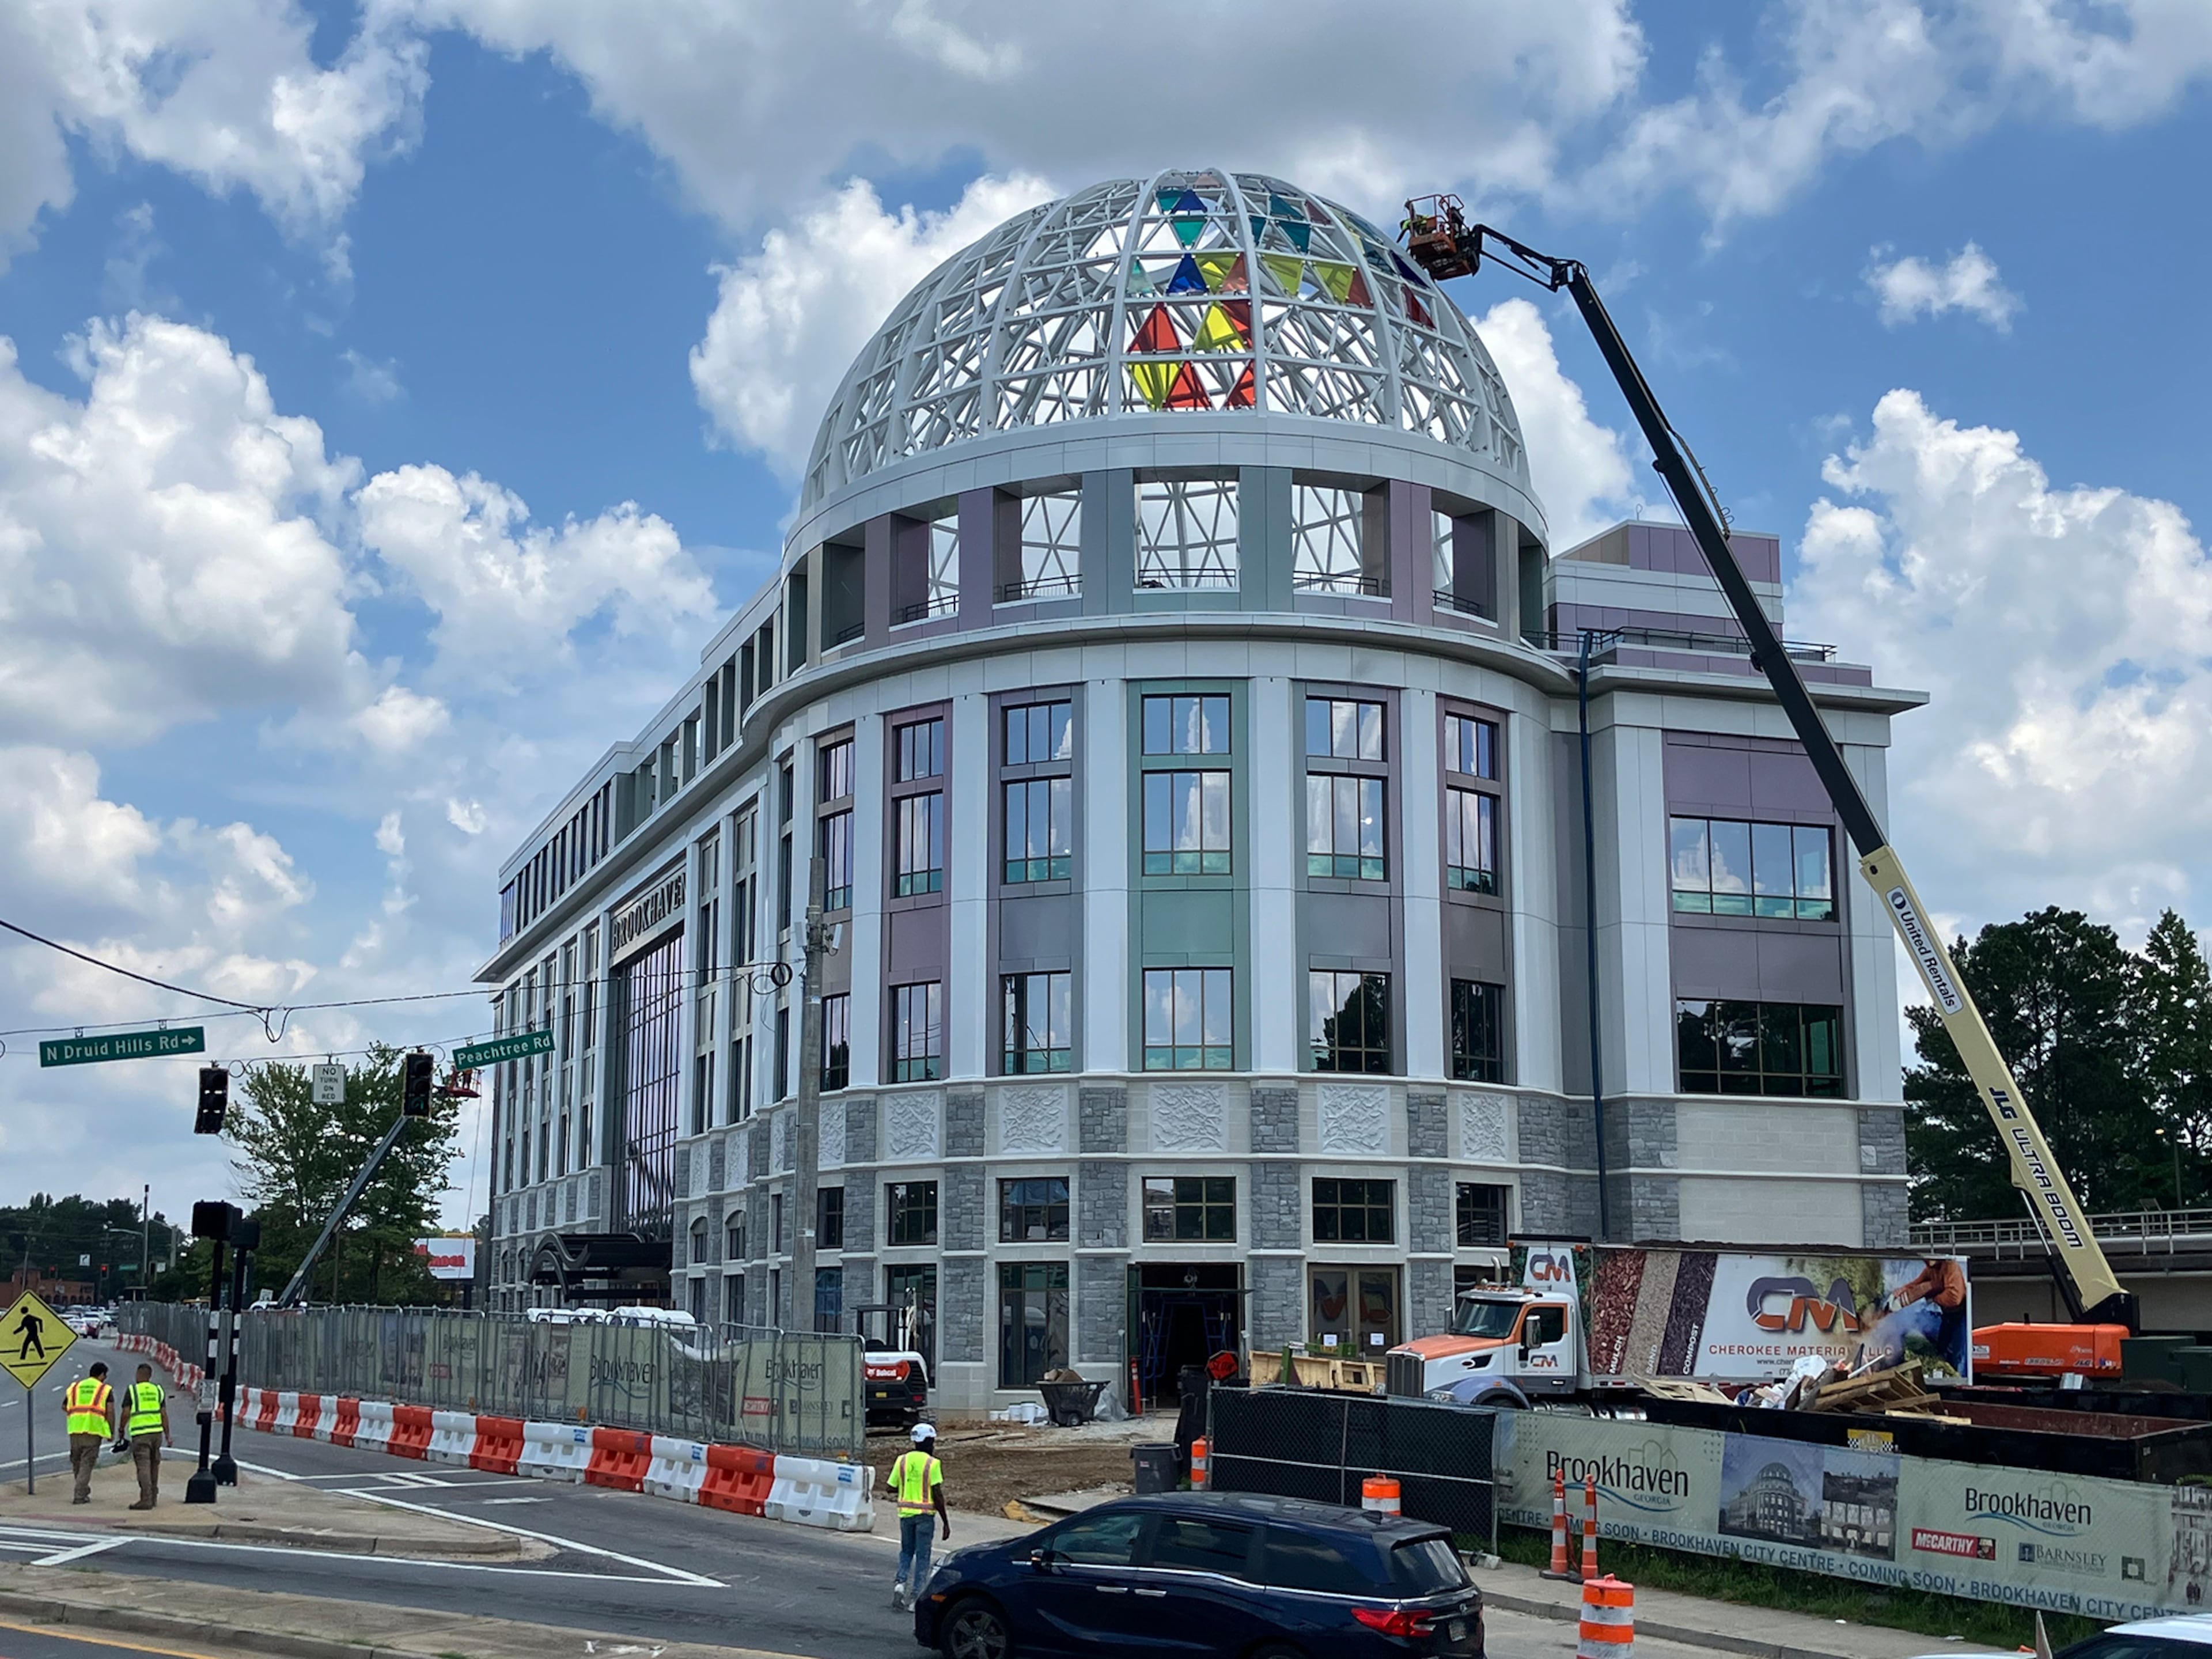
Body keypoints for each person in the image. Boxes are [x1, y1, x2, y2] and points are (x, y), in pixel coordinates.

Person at [886, 1421, 950, 1611]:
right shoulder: (933, 1463)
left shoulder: (902, 1461)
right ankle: (916, 1598)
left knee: (906, 1551)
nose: (933, 1445)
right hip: (925, 1517)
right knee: (923, 1556)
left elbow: (890, 1487)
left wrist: (907, 1486)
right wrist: (946, 1522)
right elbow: (937, 1494)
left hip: (905, 1515)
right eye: (932, 1441)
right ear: (927, 1442)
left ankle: (900, 1584)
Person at [62, 1362, 116, 1505]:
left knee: (77, 1462)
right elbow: (110, 1411)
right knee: (87, 1463)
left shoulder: (75, 1387)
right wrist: (111, 1431)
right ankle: (80, 1494)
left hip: (75, 1430)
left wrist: (76, 1414)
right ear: (102, 1375)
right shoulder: (104, 1390)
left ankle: (83, 1489)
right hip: (93, 1431)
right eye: (105, 1376)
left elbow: (64, 1406)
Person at [120, 1363, 172, 1510]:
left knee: (143, 1466)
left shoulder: (133, 1390)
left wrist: (121, 1429)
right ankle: (154, 1497)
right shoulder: (158, 1390)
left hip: (141, 1434)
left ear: (139, 1375)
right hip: (156, 1433)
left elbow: (126, 1413)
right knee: (154, 1465)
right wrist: (168, 1434)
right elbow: (164, 1414)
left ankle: (146, 1499)